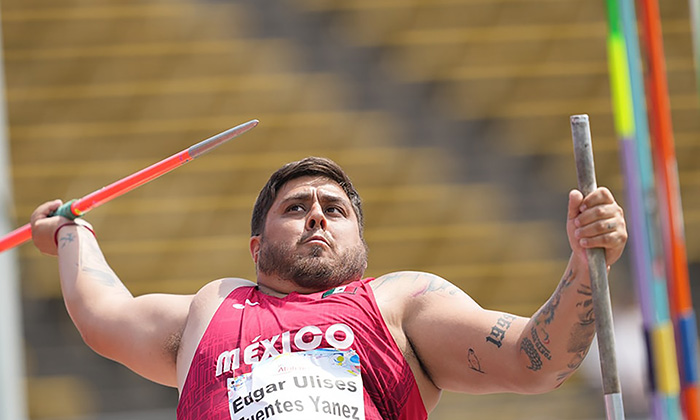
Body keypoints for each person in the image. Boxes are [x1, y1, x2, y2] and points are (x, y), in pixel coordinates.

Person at [30, 156, 627, 420]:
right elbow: (101, 312)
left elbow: (531, 361)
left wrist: (583, 264)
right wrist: (70, 232)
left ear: (360, 242)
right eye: (297, 207)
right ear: (256, 246)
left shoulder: (398, 303)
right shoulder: (212, 308)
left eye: (335, 210)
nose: (318, 215)